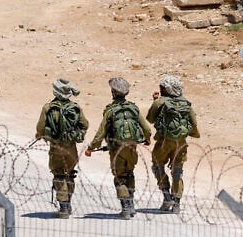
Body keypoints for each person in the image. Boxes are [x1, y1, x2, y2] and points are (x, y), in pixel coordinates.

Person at [85, 77, 151, 219]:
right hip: (132, 148)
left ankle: (125, 208)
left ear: (113, 93)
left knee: (120, 177)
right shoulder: (133, 108)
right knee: (130, 173)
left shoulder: (110, 111)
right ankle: (131, 205)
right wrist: (147, 139)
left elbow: (101, 133)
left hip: (117, 149)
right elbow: (146, 128)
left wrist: (91, 147)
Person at [146, 75, 200, 213]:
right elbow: (194, 124)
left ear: (165, 89)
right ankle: (176, 203)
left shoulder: (160, 102)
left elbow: (150, 119)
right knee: (177, 171)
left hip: (163, 142)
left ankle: (166, 196)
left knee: (157, 166)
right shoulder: (186, 103)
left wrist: (155, 101)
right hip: (180, 143)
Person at [36, 79, 89, 218]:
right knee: (70, 174)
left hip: (56, 148)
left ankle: (64, 207)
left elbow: (41, 126)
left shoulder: (48, 108)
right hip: (71, 149)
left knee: (59, 175)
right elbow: (84, 124)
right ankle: (68, 203)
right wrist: (78, 135)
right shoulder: (75, 108)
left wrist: (40, 135)